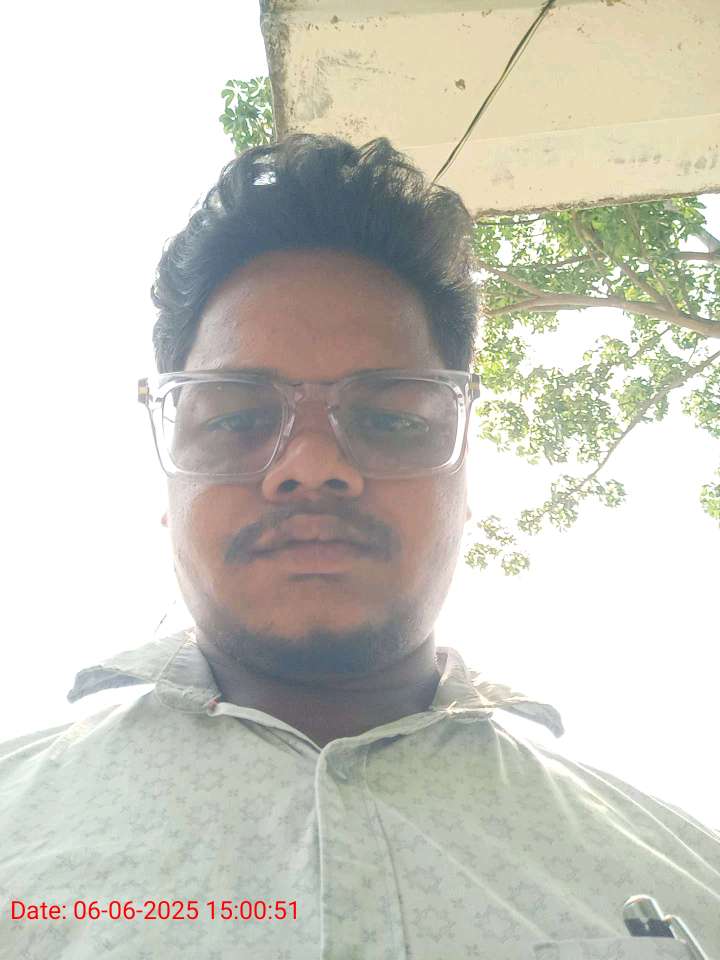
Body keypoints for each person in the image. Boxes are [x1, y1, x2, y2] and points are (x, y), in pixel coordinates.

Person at [1, 134, 717, 960]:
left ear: (466, 485)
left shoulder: (688, 884)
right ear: (169, 491)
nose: (312, 466)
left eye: (389, 418)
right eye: (237, 417)